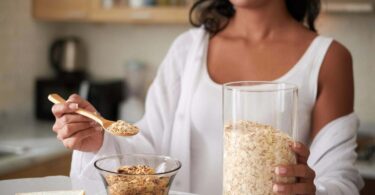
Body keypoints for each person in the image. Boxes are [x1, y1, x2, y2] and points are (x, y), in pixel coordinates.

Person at [51, 0, 364, 194]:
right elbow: (150, 150)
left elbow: (339, 180)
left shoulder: (328, 59)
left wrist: (312, 192)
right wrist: (99, 142)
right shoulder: (188, 49)